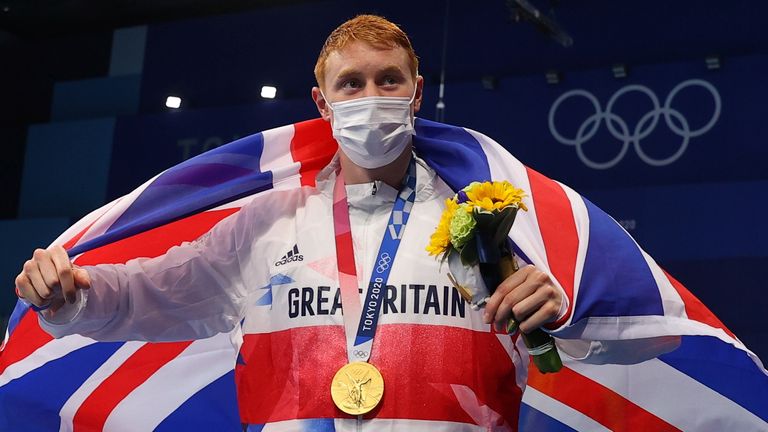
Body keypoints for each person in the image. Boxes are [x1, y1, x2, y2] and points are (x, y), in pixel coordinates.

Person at [14, 15, 671, 430]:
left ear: (416, 94)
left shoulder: (489, 224)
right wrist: (73, 296)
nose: (370, 97)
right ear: (321, 102)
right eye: (351, 84)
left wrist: (559, 314)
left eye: (389, 80)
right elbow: (149, 295)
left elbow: (625, 344)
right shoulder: (267, 224)